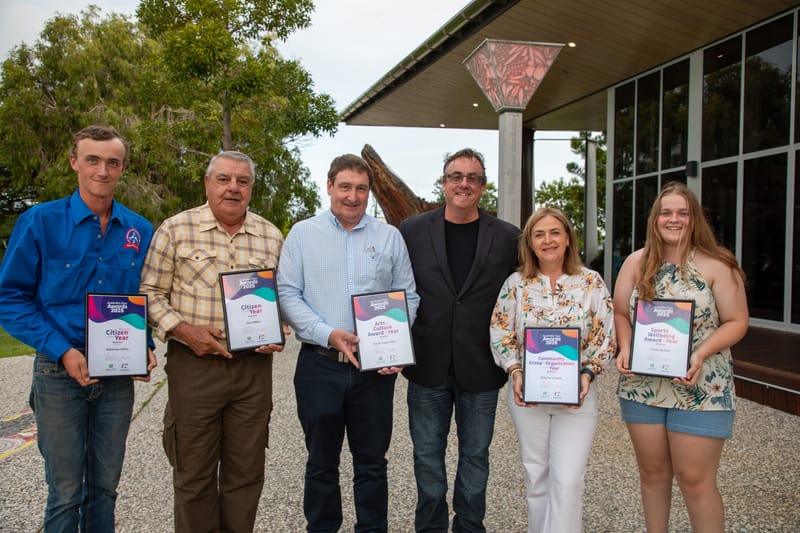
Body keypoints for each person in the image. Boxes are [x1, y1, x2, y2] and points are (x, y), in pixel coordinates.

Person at [0, 125, 156, 531]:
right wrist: (63, 351)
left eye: (112, 162)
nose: (102, 170)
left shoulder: (139, 230)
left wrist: (146, 346)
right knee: (66, 492)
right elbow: (9, 299)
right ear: (75, 163)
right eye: (92, 160)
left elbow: (142, 296)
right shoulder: (40, 222)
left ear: (122, 169)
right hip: (59, 373)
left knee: (105, 488)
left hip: (117, 378)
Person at [138, 150, 285, 532]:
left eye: (242, 181)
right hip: (195, 367)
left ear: (252, 188)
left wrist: (279, 327)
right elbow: (150, 293)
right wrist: (184, 331)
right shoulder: (175, 229)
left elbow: (284, 295)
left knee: (246, 474)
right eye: (224, 179)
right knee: (194, 474)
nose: (233, 188)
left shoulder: (270, 235)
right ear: (208, 184)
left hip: (253, 370)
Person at [277, 154, 419, 533]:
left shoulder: (389, 236)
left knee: (372, 463)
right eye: (345, 187)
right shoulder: (302, 234)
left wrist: (396, 345)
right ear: (329, 186)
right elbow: (288, 294)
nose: (353, 196)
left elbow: (409, 295)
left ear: (369, 192)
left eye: (361, 188)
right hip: (320, 364)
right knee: (321, 463)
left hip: (374, 369)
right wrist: (328, 333)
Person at [614, 181, 749, 533]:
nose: (674, 219)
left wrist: (701, 352)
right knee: (653, 474)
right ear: (655, 219)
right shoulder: (635, 262)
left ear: (694, 219)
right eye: (666, 213)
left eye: (682, 213)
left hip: (702, 384)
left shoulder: (718, 264)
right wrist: (625, 345)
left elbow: (737, 321)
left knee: (694, 479)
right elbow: (620, 313)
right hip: (642, 386)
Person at [398, 148, 520, 532]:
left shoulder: (507, 237)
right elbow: (390, 288)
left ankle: (469, 526)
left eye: (472, 177)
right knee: (427, 459)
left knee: (476, 459)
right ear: (444, 181)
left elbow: (526, 293)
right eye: (456, 175)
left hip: (482, 368)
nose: (463, 183)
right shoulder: (411, 231)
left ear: (483, 187)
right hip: (426, 364)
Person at [489, 207, 616, 533]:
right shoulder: (516, 285)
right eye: (539, 234)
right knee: (537, 475)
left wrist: (588, 374)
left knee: (569, 479)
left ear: (568, 238)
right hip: (526, 396)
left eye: (555, 232)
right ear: (530, 243)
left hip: (578, 397)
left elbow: (606, 338)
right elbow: (501, 333)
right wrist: (515, 371)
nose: (548, 240)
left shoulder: (591, 282)